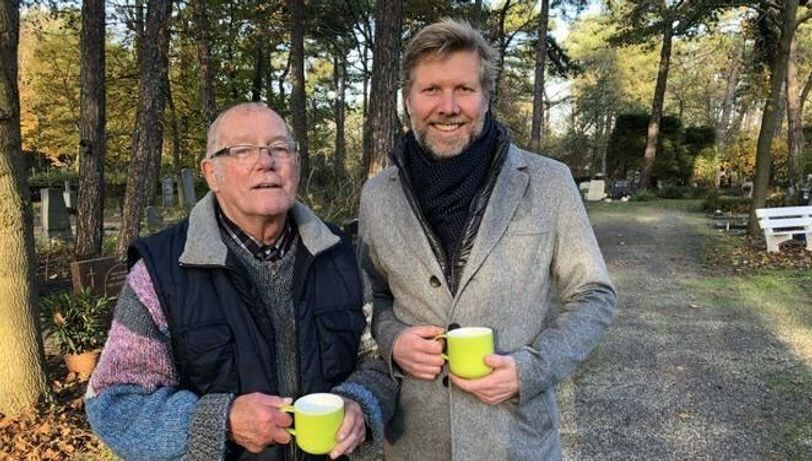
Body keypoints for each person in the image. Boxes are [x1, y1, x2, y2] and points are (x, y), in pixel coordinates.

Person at [357, 20, 616, 460]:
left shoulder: (550, 182)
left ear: (486, 96)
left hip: (516, 441)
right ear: (407, 100)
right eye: (431, 90)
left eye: (464, 88)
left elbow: (593, 295)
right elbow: (370, 296)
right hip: (415, 442)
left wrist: (531, 370)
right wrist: (392, 337)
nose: (449, 105)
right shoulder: (377, 194)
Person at [86, 102, 397, 461]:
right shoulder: (161, 273)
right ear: (211, 173)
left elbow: (377, 361)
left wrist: (360, 402)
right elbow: (114, 403)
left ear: (295, 164)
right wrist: (222, 421)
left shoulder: (338, 255)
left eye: (280, 148)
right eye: (244, 150)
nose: (266, 162)